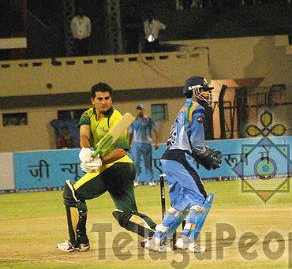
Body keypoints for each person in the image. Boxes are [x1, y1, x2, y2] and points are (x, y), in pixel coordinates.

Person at [57, 82, 157, 252]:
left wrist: (100, 161)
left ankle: (79, 242)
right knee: (125, 216)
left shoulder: (116, 117)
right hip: (118, 169)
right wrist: (86, 150)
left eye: (107, 98)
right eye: (99, 99)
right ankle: (158, 235)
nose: (104, 102)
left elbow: (121, 150)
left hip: (117, 167)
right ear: (92, 101)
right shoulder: (87, 115)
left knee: (71, 194)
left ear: (111, 99)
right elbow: (84, 135)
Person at [144, 76, 222, 253]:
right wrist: (205, 153)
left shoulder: (184, 108)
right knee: (200, 198)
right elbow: (196, 143)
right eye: (203, 90)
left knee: (181, 203)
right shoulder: (197, 109)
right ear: (194, 91)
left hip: (169, 157)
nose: (206, 93)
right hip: (180, 157)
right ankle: (187, 239)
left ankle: (157, 240)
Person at [128, 104, 159, 187]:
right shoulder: (133, 121)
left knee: (148, 163)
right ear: (136, 110)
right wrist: (129, 145)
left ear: (143, 110)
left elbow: (155, 130)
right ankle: (135, 180)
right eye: (138, 109)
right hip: (136, 144)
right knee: (136, 163)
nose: (139, 111)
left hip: (147, 144)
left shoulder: (148, 120)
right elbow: (130, 133)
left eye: (141, 109)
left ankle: (150, 180)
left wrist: (156, 142)